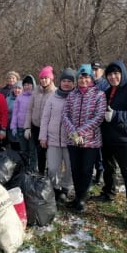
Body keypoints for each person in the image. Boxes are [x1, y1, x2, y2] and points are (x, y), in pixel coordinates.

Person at [91, 61, 127, 230]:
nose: (113, 77)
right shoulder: (107, 91)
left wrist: (117, 115)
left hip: (125, 139)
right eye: (109, 74)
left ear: (122, 73)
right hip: (107, 137)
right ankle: (109, 193)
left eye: (116, 73)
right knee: (109, 168)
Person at [62, 65, 106, 212]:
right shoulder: (71, 95)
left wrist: (80, 132)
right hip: (72, 140)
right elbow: (65, 115)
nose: (83, 80)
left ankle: (81, 198)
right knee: (75, 169)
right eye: (81, 77)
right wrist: (74, 133)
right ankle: (77, 197)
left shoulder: (99, 95)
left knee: (86, 170)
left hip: (90, 141)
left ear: (91, 79)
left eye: (86, 77)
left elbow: (99, 117)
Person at [39, 68, 76, 202]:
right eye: (64, 81)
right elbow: (45, 118)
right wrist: (43, 136)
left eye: (69, 81)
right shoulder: (53, 97)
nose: (66, 83)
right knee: (53, 168)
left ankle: (66, 188)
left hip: (70, 141)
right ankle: (56, 188)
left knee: (71, 168)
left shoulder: (76, 97)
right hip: (53, 139)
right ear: (60, 82)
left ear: (74, 83)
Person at [24, 65, 56, 175]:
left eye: (45, 78)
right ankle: (41, 174)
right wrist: (27, 127)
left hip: (49, 129)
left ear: (51, 79)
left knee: (49, 153)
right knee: (39, 152)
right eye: (41, 78)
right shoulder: (35, 92)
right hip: (35, 126)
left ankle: (51, 175)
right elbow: (29, 110)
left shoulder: (55, 93)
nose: (43, 80)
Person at [10, 75, 38, 172]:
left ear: (33, 85)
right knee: (23, 151)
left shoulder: (35, 96)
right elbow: (15, 113)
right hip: (20, 128)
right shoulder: (19, 98)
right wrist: (13, 126)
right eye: (25, 85)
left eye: (29, 84)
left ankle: (33, 169)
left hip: (31, 128)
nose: (27, 86)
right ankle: (25, 169)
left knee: (32, 150)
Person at [91, 62, 110, 184]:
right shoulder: (88, 83)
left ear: (102, 72)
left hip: (103, 123)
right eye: (92, 70)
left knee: (100, 151)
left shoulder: (106, 86)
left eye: (96, 70)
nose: (94, 72)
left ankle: (100, 172)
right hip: (88, 122)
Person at [6, 80, 23, 150]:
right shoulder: (8, 99)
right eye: (15, 88)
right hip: (9, 129)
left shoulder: (26, 99)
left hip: (21, 129)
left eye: (19, 88)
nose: (17, 90)